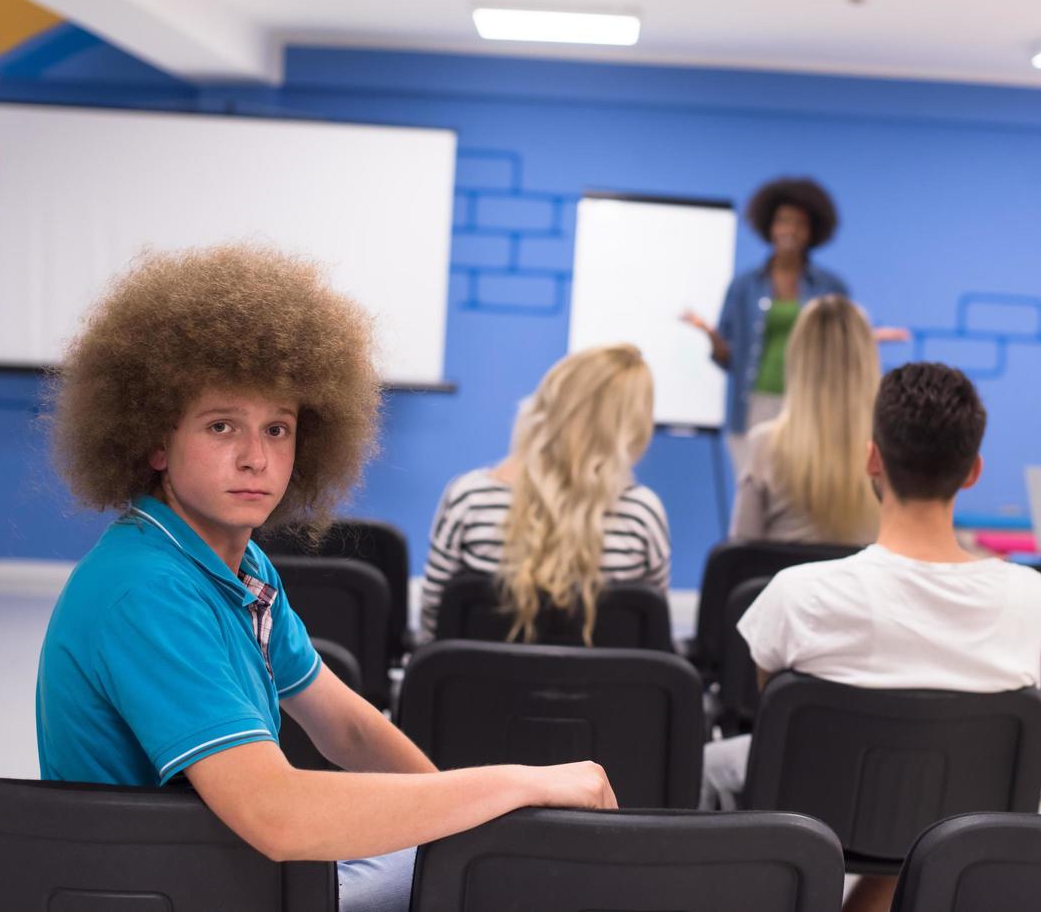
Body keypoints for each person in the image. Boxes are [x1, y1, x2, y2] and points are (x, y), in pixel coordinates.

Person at [36, 244, 616, 912]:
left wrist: (468, 830)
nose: (255, 458)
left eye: (277, 429)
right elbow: (279, 816)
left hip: (220, 874)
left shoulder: (238, 566)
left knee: (479, 869)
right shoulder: (147, 590)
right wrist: (518, 786)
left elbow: (351, 732)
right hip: (168, 892)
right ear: (156, 443)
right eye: (221, 426)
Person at [700, 362, 1041, 912]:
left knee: (711, 766)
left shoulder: (798, 593)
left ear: (872, 458)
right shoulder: (1029, 596)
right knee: (931, 787)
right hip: (957, 823)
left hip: (814, 809)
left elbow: (772, 711)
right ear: (973, 471)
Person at [420, 344, 670, 644]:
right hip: (605, 691)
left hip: (479, 690)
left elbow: (435, 627)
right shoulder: (642, 515)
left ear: (545, 404)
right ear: (634, 428)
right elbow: (650, 640)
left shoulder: (469, 499)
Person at [681, 176, 908, 468]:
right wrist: (710, 335)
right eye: (783, 221)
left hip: (809, 402)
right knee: (754, 484)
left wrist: (865, 338)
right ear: (769, 227)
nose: (790, 230)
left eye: (799, 223)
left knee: (802, 485)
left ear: (812, 231)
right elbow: (728, 357)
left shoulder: (829, 285)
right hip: (755, 402)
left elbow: (842, 344)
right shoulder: (744, 286)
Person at [730, 294, 881, 545]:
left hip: (775, 582)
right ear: (866, 358)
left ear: (798, 356)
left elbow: (739, 553)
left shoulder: (765, 444)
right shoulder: (892, 451)